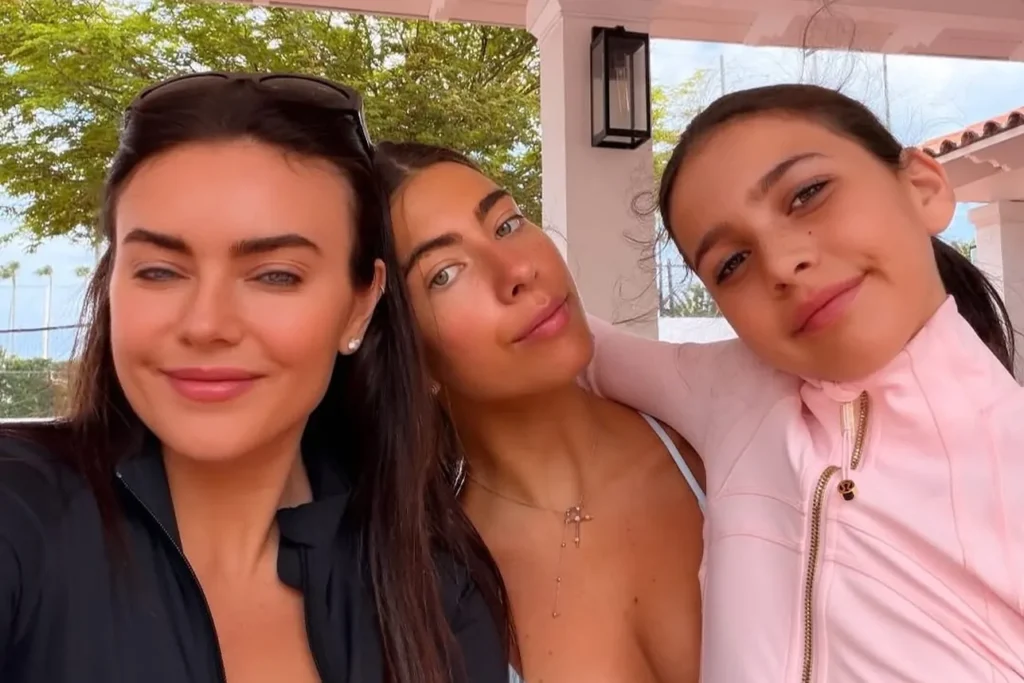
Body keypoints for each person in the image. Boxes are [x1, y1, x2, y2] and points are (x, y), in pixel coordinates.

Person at [0, 73, 510, 683]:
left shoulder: (435, 590)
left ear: (360, 305)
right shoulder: (19, 512)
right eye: (159, 271)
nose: (206, 324)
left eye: (275, 276)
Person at [584, 83, 1024, 682]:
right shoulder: (735, 392)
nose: (782, 263)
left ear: (922, 187)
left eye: (807, 194)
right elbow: (586, 349)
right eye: (731, 264)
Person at [374, 141, 706, 683]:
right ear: (405, 354)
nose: (518, 270)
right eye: (444, 273)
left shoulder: (718, 446)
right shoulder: (426, 587)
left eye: (506, 224)